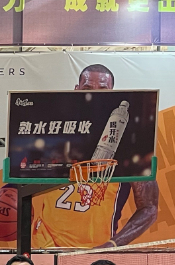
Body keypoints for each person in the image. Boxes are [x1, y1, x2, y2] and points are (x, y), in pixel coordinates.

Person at [30, 64, 160, 250]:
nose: (95, 95)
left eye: (103, 90)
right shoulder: (52, 131)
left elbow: (149, 208)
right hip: (44, 248)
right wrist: (1, 206)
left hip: (94, 251)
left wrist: (113, 244)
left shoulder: (130, 143)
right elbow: (19, 182)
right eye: (87, 88)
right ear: (76, 90)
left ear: (112, 94)